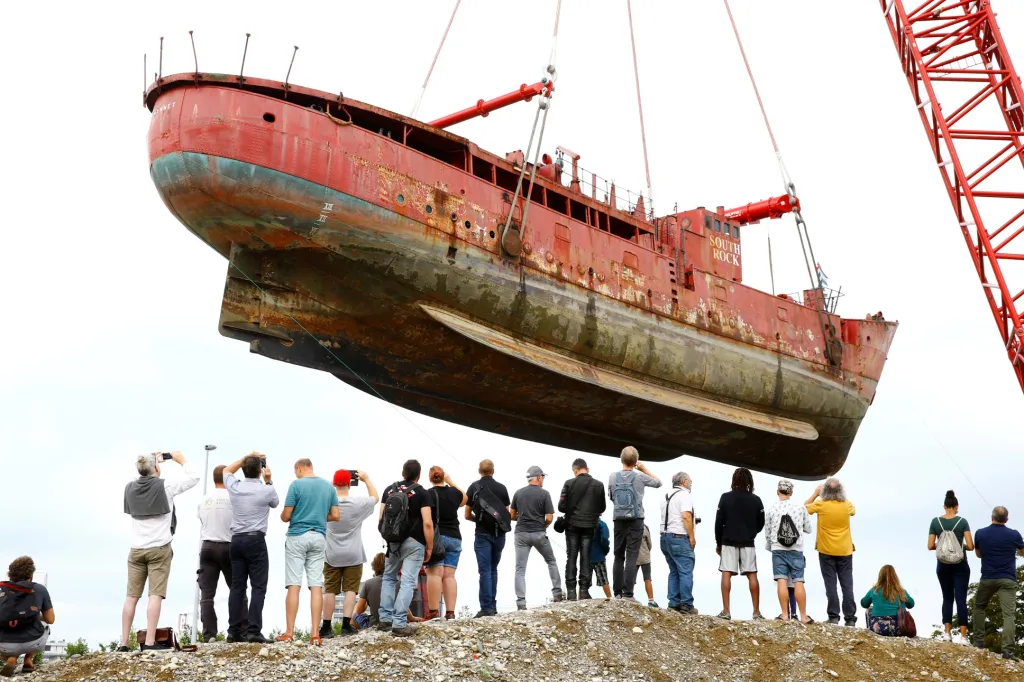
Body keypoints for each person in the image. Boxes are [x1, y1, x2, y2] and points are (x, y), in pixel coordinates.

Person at [121, 451, 199, 650]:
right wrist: (181, 460)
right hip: (159, 548)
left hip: (136, 549)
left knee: (131, 597)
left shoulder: (130, 488)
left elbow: (138, 474)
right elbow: (194, 477)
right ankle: (149, 642)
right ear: (156, 468)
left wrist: (149, 463)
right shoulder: (166, 486)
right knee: (154, 595)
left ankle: (123, 643)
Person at [278, 458, 340, 645]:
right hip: (318, 537)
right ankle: (315, 634)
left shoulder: (296, 485)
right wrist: (320, 516)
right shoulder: (329, 487)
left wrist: (290, 515)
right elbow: (336, 515)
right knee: (316, 586)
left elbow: (286, 515)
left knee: (294, 584)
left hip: (297, 536)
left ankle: (289, 633)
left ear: (299, 468)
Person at [222, 453, 278, 644]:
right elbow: (276, 503)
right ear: (260, 471)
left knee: (237, 587)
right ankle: (254, 630)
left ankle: (233, 631)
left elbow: (226, 470)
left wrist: (246, 456)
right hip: (256, 540)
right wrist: (269, 481)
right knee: (258, 587)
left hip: (236, 540)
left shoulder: (235, 487)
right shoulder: (266, 490)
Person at [378, 459, 434, 637]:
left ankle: (385, 619)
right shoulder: (423, 493)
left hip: (393, 541)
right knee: (408, 580)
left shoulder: (389, 490)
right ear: (419, 475)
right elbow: (427, 523)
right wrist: (430, 547)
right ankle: (399, 624)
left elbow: (381, 519)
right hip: (414, 542)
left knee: (388, 577)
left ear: (403, 473)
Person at [320, 469, 378, 639]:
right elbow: (375, 498)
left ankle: (326, 627)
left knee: (330, 590)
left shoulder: (326, 504)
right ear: (349, 484)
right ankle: (346, 625)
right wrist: (366, 479)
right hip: (353, 553)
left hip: (331, 553)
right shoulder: (357, 503)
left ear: (333, 483)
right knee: (351, 590)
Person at [608, 446, 661, 600]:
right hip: (636, 519)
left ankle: (617, 593)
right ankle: (628, 594)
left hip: (618, 519)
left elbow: (612, 497)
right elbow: (658, 482)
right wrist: (644, 469)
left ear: (621, 459)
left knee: (618, 556)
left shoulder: (613, 477)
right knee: (631, 556)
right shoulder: (639, 477)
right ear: (635, 461)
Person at [972, 505, 1024, 660]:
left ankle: (979, 642)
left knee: (979, 607)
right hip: (1007, 579)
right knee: (1009, 615)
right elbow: (1022, 551)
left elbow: (978, 554)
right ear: (1006, 519)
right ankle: (1007, 651)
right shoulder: (1014, 534)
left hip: (987, 577)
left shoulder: (980, 533)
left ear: (991, 517)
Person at [714, 467, 765, 620]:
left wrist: (718, 543)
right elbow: (761, 523)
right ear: (750, 481)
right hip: (748, 541)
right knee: (752, 574)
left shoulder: (725, 497)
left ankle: (726, 611)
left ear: (733, 480)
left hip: (728, 540)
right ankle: (756, 612)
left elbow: (718, 523)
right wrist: (751, 533)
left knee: (726, 573)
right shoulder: (756, 500)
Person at [806, 477, 857, 626]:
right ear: (841, 490)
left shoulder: (821, 504)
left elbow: (805, 508)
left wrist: (816, 493)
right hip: (845, 550)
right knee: (847, 585)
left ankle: (834, 616)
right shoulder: (846, 505)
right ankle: (850, 618)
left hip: (826, 550)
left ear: (824, 491)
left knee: (831, 584)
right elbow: (853, 511)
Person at [511, 466, 564, 609]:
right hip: (539, 533)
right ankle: (557, 594)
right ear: (539, 477)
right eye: (543, 477)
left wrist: (524, 517)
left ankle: (521, 603)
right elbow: (549, 517)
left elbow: (511, 515)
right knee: (551, 561)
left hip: (521, 534)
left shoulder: (518, 493)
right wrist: (543, 524)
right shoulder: (544, 494)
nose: (543, 480)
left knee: (520, 569)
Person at [465, 459, 511, 617]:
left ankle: (487, 608)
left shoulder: (474, 487)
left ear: (479, 471)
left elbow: (466, 515)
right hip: (500, 534)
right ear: (493, 471)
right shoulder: (502, 488)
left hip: (482, 533)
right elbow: (507, 514)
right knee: (493, 569)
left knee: (484, 571)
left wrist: (477, 519)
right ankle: (493, 605)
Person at [927, 489, 974, 642]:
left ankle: (947, 633)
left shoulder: (935, 522)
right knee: (961, 599)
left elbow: (930, 545)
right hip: (960, 564)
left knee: (947, 598)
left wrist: (943, 546)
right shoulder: (962, 522)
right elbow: (971, 545)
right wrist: (958, 546)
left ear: (944, 506)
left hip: (942, 565)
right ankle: (963, 636)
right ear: (956, 506)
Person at [764, 479, 813, 623]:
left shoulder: (772, 509)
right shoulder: (800, 508)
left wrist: (770, 546)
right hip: (796, 549)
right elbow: (808, 529)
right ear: (791, 492)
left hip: (778, 548)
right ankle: (803, 616)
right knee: (798, 581)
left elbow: (767, 532)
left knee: (781, 580)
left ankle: (784, 614)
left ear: (777, 491)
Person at [196, 464, 235, 643]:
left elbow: (201, 519)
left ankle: (209, 633)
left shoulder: (204, 499)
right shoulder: (233, 498)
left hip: (207, 548)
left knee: (207, 594)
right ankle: (237, 629)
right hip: (228, 546)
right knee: (237, 589)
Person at [558, 458, 606, 600]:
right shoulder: (599, 485)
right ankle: (584, 591)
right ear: (587, 469)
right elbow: (602, 507)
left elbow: (561, 507)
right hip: (589, 526)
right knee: (586, 556)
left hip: (572, 525)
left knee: (572, 555)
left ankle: (571, 592)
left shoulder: (569, 483)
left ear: (575, 470)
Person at [424, 466, 467, 620]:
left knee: (434, 574)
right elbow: (465, 499)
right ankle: (450, 612)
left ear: (430, 478)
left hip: (437, 537)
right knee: (449, 576)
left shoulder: (428, 494)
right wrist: (450, 481)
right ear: (443, 477)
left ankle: (434, 611)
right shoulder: (454, 493)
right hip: (455, 537)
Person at [0, 557, 54, 677]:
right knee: (45, 625)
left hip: (3, 645)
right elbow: (50, 619)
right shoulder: (39, 589)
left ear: (10, 575)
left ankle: (11, 657)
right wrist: (34, 615)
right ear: (30, 575)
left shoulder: (2, 589)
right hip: (32, 641)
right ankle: (28, 659)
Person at [660, 471, 697, 614]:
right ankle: (687, 604)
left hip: (665, 537)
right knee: (685, 571)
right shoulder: (684, 495)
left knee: (674, 571)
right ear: (684, 482)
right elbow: (686, 516)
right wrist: (692, 536)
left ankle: (673, 603)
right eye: (690, 482)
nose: (691, 484)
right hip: (679, 537)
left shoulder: (666, 496)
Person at [860, 565, 914, 637]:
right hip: (899, 629)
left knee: (869, 609)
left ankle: (871, 630)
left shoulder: (874, 590)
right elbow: (911, 604)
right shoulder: (901, 592)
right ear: (895, 577)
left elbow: (864, 604)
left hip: (878, 628)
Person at [353, 553, 386, 630]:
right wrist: (412, 617)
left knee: (356, 610)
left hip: (374, 625)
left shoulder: (369, 583)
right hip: (395, 623)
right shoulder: (399, 583)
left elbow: (359, 610)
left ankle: (352, 629)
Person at [635, 525, 658, 607]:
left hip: (633, 557)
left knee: (631, 579)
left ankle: (629, 596)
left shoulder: (629, 527)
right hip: (645, 556)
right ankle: (651, 601)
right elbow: (649, 544)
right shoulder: (644, 527)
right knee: (647, 578)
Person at [591, 518, 613, 599]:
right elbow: (604, 538)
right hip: (599, 555)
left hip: (586, 556)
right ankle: (609, 598)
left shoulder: (584, 523)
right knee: (604, 580)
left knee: (584, 582)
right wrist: (605, 550)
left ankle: (579, 600)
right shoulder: (602, 524)